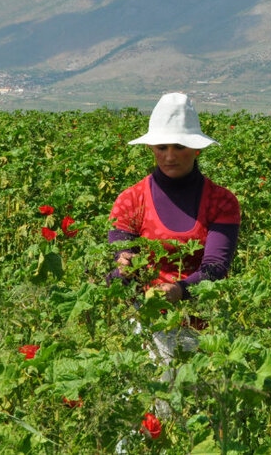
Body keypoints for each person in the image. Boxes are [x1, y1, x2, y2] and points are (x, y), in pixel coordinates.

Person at [107, 92, 241, 364]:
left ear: (196, 149)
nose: (170, 156)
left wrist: (179, 290)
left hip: (203, 320)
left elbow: (215, 268)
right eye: (162, 147)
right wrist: (124, 266)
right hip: (144, 320)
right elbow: (121, 262)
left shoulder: (222, 201)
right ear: (151, 148)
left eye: (179, 147)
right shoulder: (130, 200)